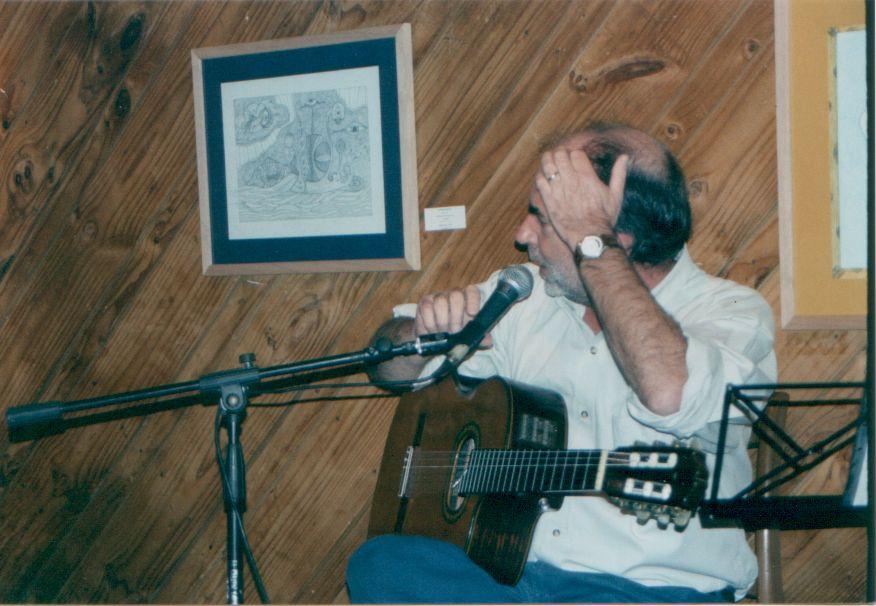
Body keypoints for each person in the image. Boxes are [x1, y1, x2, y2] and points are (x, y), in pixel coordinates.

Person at [345, 123, 776, 603]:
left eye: (545, 219)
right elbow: (386, 369)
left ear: (616, 239)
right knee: (380, 565)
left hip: (650, 591)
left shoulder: (732, 312)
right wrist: (420, 336)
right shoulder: (528, 294)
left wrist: (591, 236)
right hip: (506, 581)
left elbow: (669, 394)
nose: (522, 235)